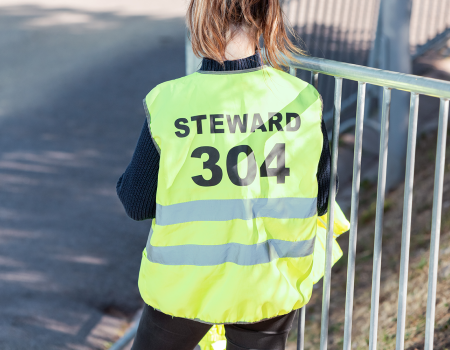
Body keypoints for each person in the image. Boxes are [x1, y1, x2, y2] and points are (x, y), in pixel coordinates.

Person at [116, 0, 338, 349]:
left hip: (184, 285)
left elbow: (136, 203)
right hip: (269, 283)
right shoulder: (302, 100)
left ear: (199, 17)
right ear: (269, 18)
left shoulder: (169, 101)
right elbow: (321, 199)